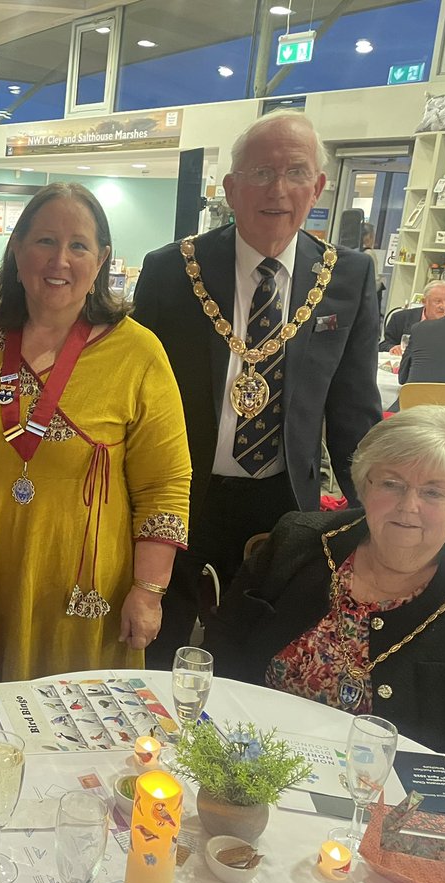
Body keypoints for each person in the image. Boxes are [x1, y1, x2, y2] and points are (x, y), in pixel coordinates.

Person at [0, 182, 191, 734]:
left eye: (79, 245)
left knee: (71, 738)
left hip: (82, 591)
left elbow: (166, 485)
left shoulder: (138, 352)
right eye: (44, 240)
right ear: (16, 250)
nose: (60, 260)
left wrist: (149, 591)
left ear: (103, 260)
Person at [134, 110, 382, 669]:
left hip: (284, 508)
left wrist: (373, 512)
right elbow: (137, 397)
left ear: (317, 188)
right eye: (261, 172)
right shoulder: (173, 271)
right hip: (180, 494)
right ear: (230, 188)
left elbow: (353, 414)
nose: (278, 189)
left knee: (257, 656)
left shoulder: (348, 277)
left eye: (296, 172)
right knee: (154, 644)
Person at [206, 406, 445, 788]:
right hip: (251, 765)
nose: (409, 505)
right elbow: (224, 642)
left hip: (391, 799)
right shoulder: (299, 540)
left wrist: (413, 799)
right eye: (391, 483)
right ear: (364, 485)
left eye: (433, 491)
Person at [381, 279, 445, 353]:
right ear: (424, 302)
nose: (443, 306)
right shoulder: (401, 318)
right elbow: (383, 345)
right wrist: (393, 348)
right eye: (438, 301)